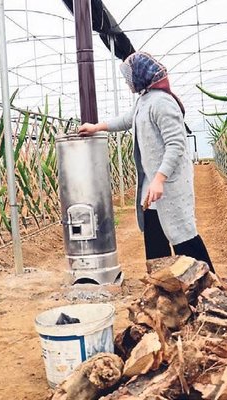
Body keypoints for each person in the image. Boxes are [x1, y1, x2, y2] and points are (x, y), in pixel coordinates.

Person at [78, 51, 213, 272]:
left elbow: (176, 145)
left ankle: (208, 288)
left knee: (184, 238)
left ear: (141, 75)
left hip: (168, 184)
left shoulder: (162, 103)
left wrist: (160, 179)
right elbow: (126, 120)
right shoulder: (145, 99)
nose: (126, 82)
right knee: (155, 238)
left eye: (128, 77)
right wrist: (96, 127)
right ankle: (162, 290)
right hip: (152, 185)